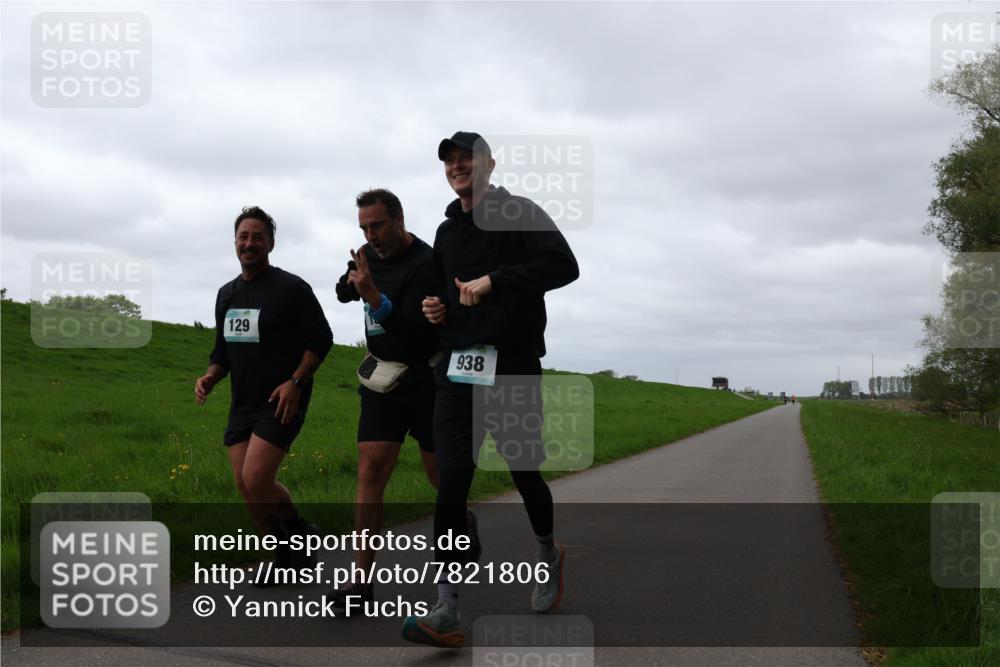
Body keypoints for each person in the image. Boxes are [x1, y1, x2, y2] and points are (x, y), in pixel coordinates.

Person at [402, 132, 580, 648]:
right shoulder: (446, 230)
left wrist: (496, 281)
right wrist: (436, 309)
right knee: (452, 479)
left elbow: (564, 266)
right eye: (450, 162)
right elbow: (444, 294)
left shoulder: (519, 211)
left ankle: (547, 552)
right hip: (458, 371)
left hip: (513, 365)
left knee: (524, 472)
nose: (458, 167)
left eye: (466, 159)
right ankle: (446, 607)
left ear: (489, 164)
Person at [326, 188, 480, 608]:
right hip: (381, 382)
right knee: (370, 469)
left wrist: (374, 295)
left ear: (399, 219)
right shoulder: (365, 256)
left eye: (377, 225)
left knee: (439, 478)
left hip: (428, 380)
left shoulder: (427, 263)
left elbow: (413, 330)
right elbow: (343, 292)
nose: (371, 235)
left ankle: (463, 521)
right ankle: (360, 581)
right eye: (364, 228)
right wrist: (352, 283)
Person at [195, 206, 333, 586]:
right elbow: (222, 352)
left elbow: (321, 338)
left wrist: (296, 381)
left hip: (282, 398)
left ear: (270, 243)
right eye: (243, 236)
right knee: (245, 485)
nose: (249, 243)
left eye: (257, 236)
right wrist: (210, 377)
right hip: (243, 403)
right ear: (235, 243)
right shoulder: (227, 294)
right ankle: (288, 554)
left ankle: (299, 532)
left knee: (257, 478)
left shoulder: (291, 288)